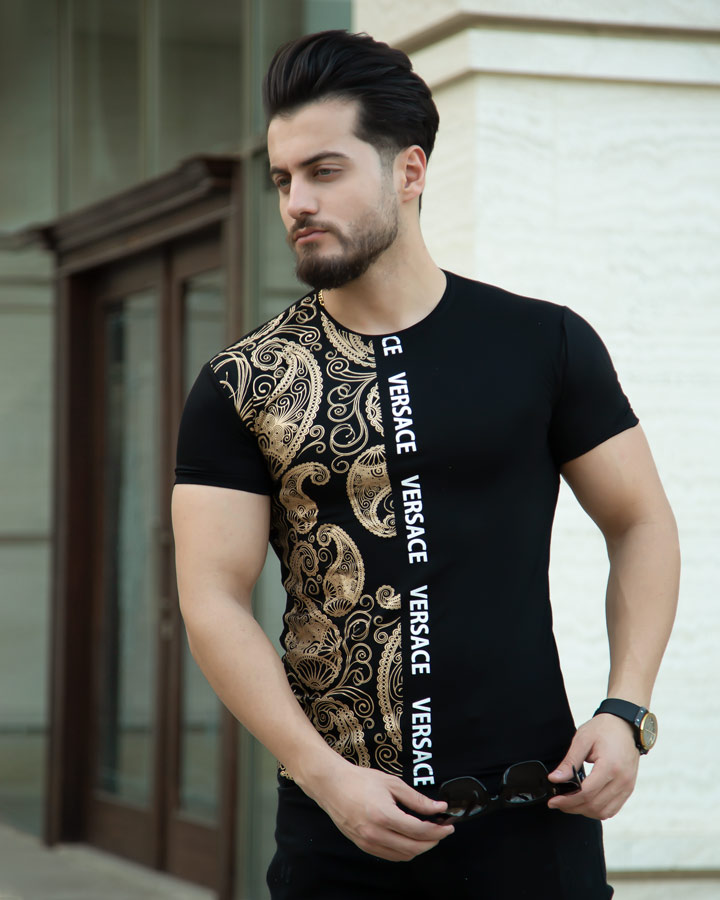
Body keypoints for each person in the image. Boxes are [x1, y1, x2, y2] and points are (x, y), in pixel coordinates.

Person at [172, 30, 679, 900]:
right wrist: (325, 778)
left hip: (540, 822)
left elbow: (640, 521)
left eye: (324, 171)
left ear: (409, 171)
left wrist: (626, 710)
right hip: (344, 838)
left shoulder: (543, 343)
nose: (297, 201)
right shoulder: (244, 382)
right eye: (284, 179)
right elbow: (212, 598)